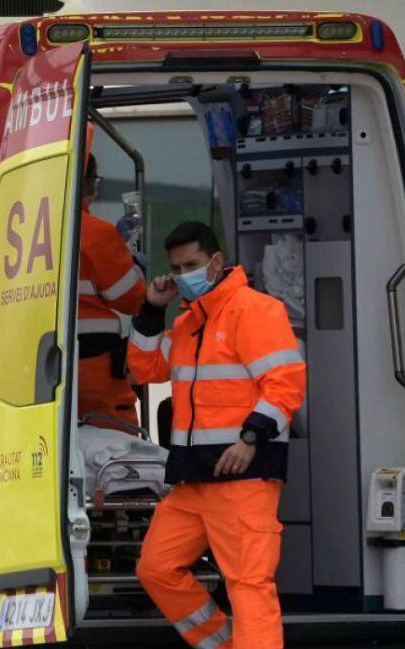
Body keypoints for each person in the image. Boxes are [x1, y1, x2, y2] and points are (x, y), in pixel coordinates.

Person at [130, 221, 305, 649]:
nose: (183, 273)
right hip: (194, 480)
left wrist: (250, 439)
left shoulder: (255, 310)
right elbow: (145, 369)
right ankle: (225, 644)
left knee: (248, 585)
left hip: (242, 477)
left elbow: (285, 383)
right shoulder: (190, 324)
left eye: (191, 264)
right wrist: (153, 308)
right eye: (176, 266)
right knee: (156, 568)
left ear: (216, 262)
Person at [77, 153, 147, 430]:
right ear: (87, 184)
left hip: (36, 372)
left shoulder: (23, 227)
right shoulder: (95, 233)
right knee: (117, 448)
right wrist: (132, 264)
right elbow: (132, 298)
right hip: (94, 369)